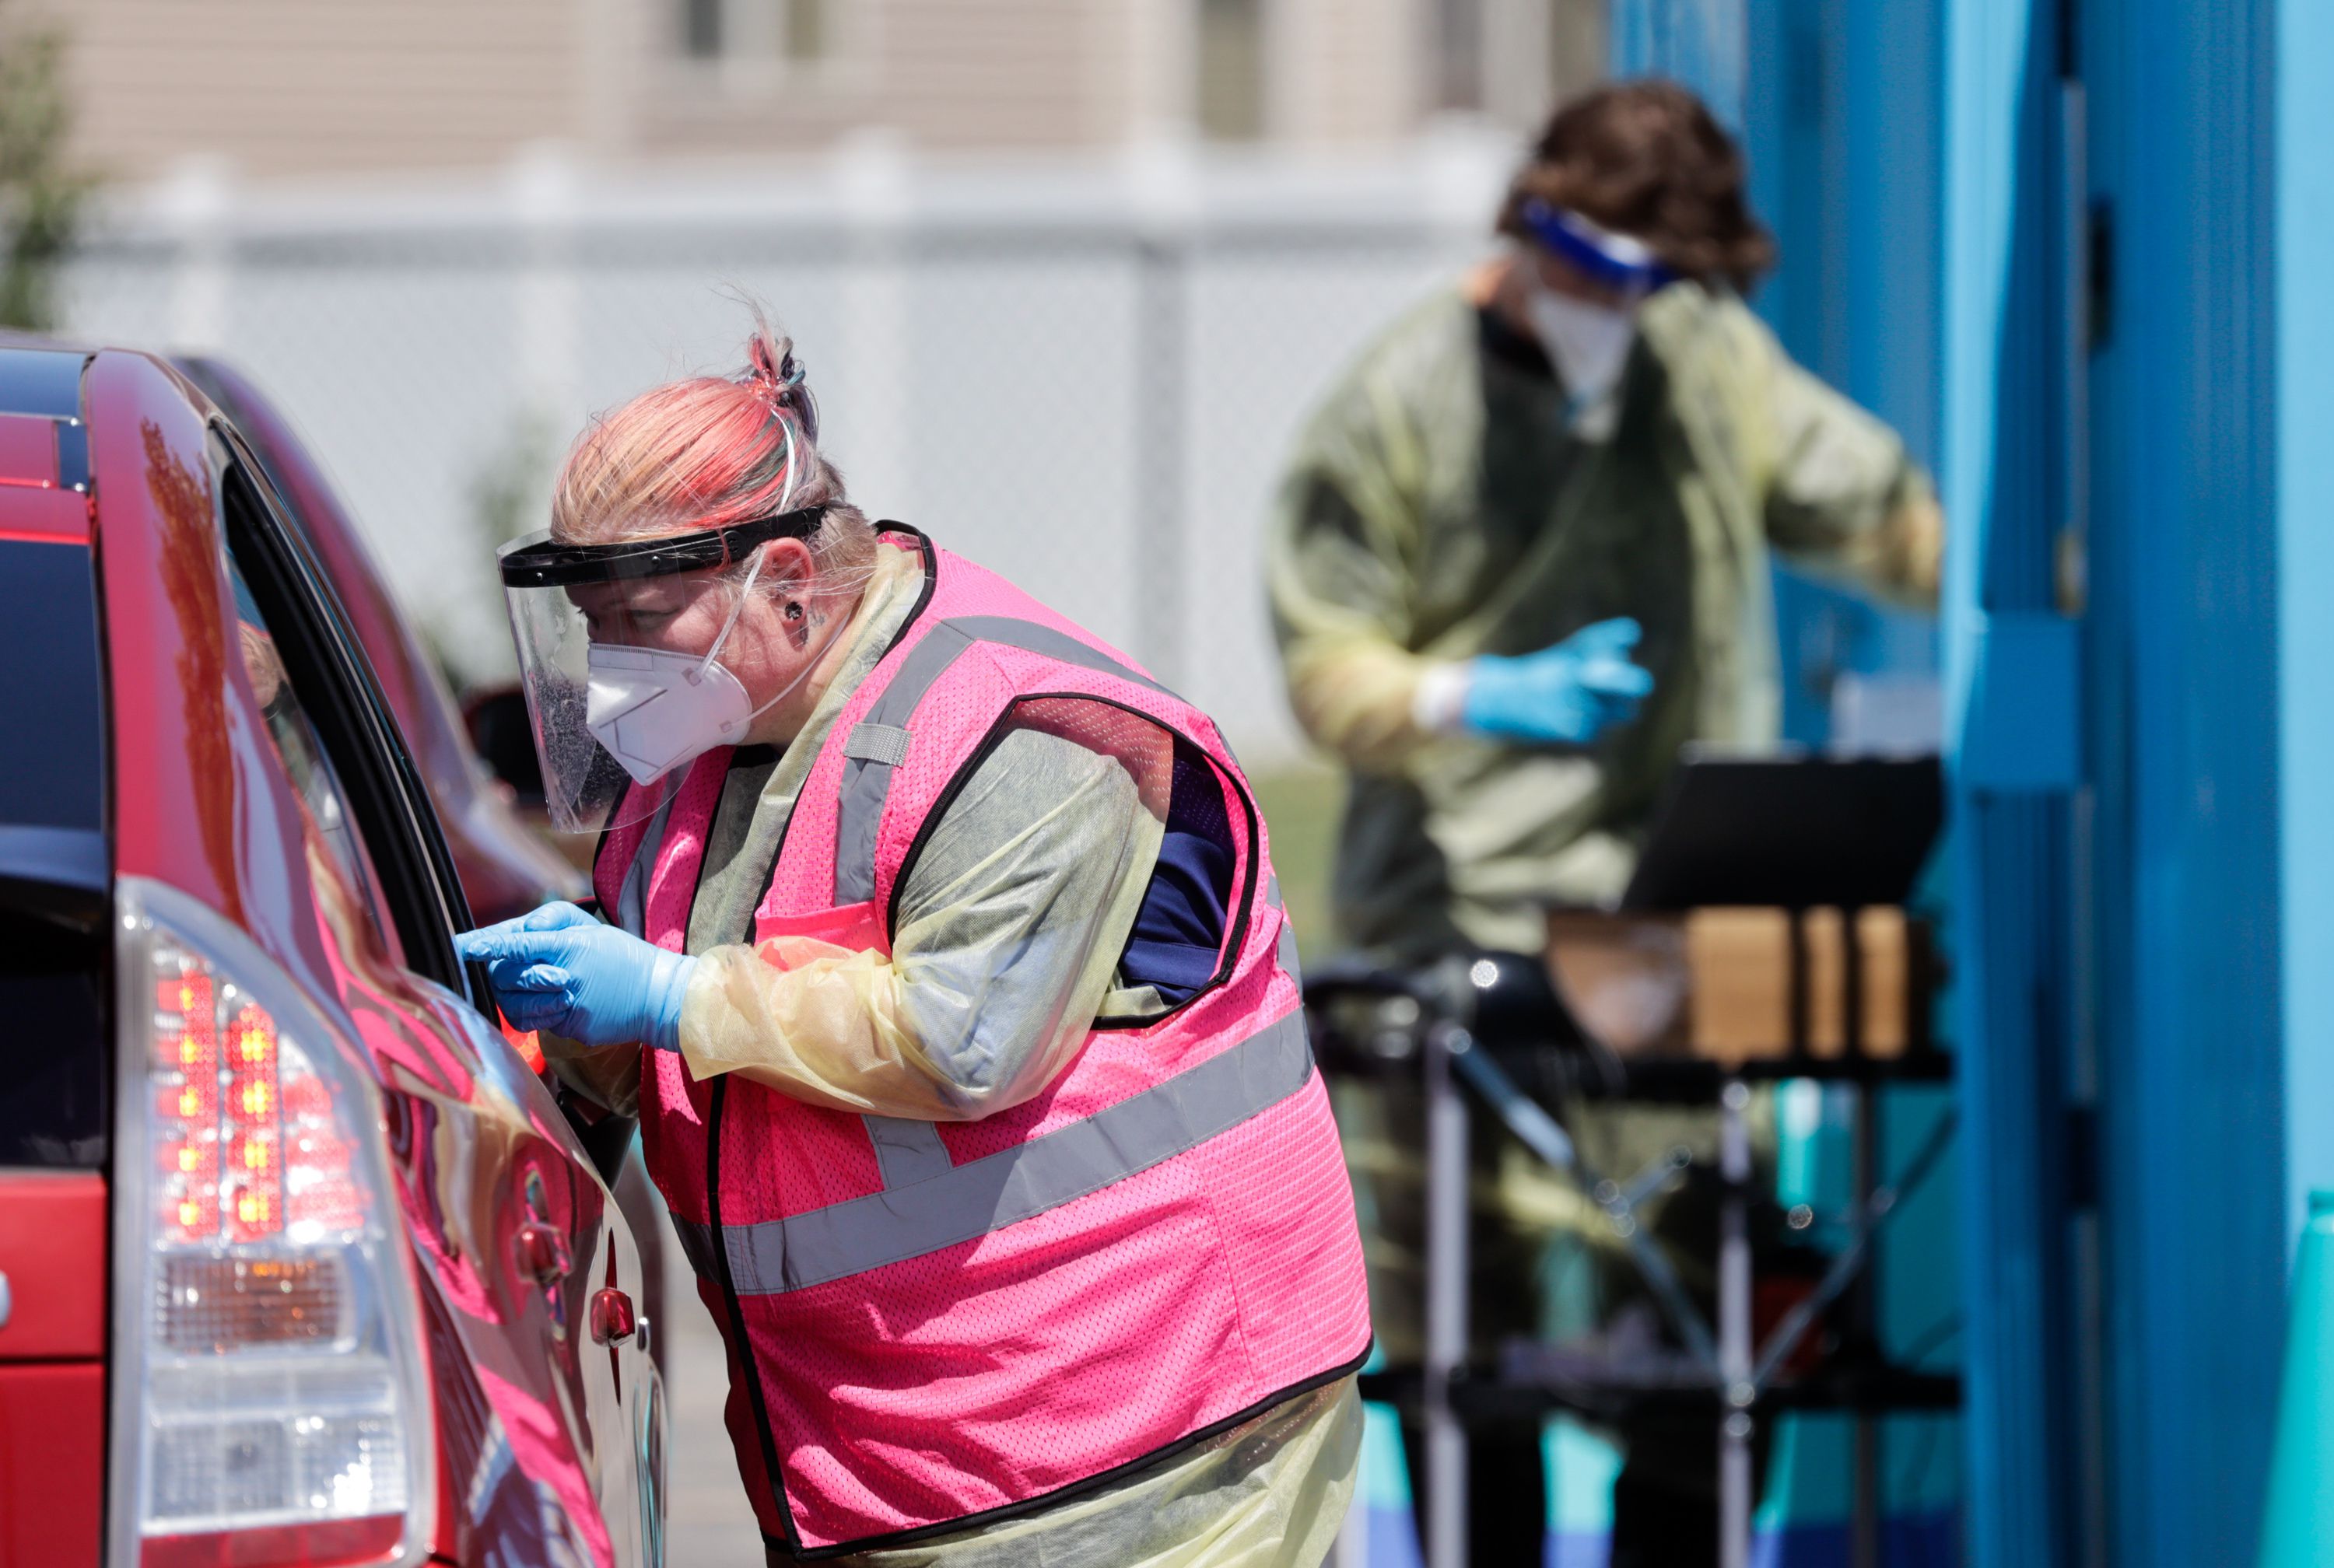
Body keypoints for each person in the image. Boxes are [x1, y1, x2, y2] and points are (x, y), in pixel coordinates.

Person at [461, 323, 1372, 1567]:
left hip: (1149, 1437)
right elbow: (666, 1022)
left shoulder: (1017, 731)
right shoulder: (698, 745)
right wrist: (556, 1035)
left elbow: (964, 1037)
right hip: (886, 1454)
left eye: (645, 617)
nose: (614, 667)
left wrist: (670, 996)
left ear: (789, 580)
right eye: (591, 622)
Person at [1267, 80, 1943, 1563]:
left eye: (1657, 287)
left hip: (1672, 917)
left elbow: (1879, 513)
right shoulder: (1399, 405)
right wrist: (1469, 696)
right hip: (1462, 920)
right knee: (1470, 1327)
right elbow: (1325, 666)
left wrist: (2063, 581)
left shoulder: (1702, 356)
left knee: (1704, 1316)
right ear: (1537, 225)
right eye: (1605, 276)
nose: (1624, 313)